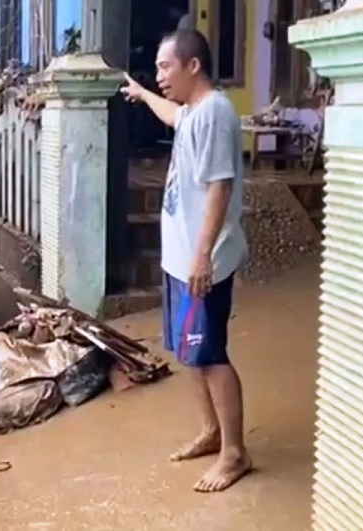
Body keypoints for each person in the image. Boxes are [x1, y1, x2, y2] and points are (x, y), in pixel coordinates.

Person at [121, 28, 251, 493]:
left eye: (164, 67)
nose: (158, 77)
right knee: (190, 353)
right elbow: (175, 116)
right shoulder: (195, 110)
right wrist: (140, 94)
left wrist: (202, 257)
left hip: (202, 261)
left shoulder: (216, 111)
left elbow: (221, 185)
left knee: (210, 355)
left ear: (193, 65)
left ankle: (234, 453)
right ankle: (212, 431)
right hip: (182, 260)